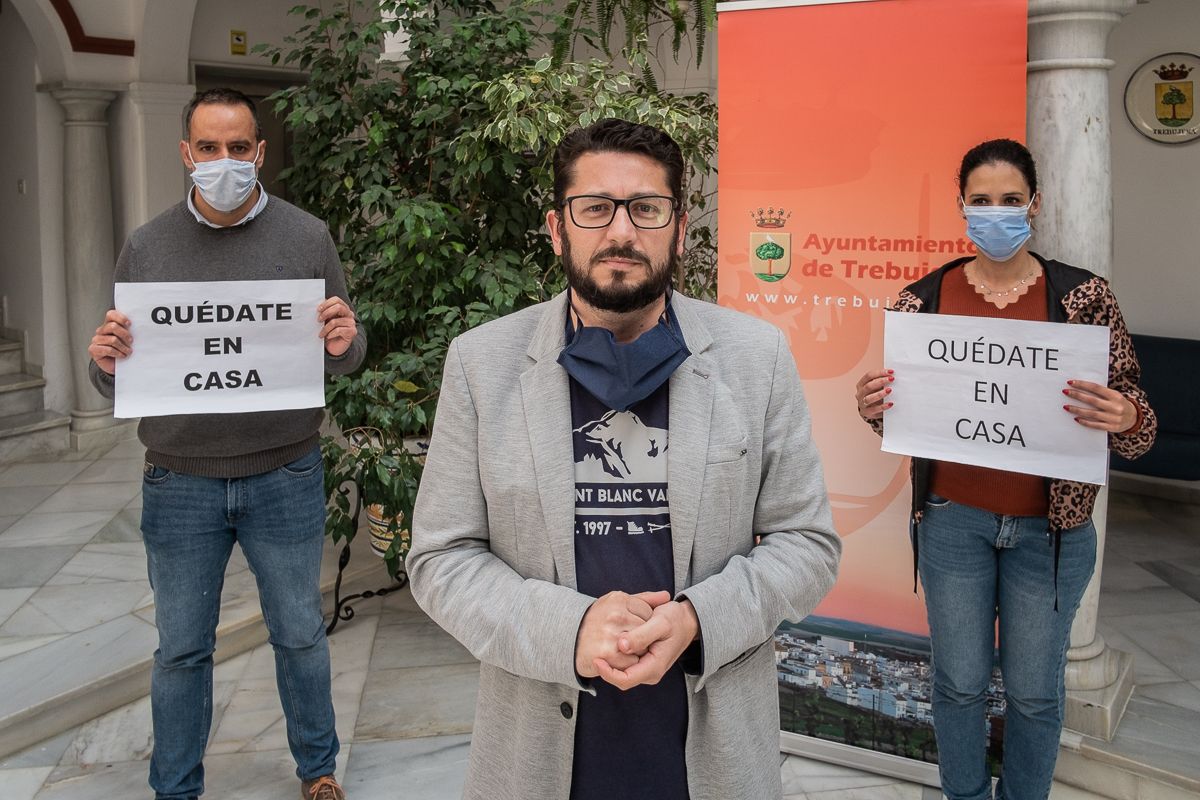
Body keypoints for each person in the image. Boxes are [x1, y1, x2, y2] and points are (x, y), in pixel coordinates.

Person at [406, 118, 841, 800]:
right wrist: (571, 628)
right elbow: (441, 558)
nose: (621, 231)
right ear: (558, 229)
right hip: (539, 749)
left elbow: (807, 543)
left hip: (711, 750)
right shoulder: (481, 363)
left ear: (679, 227)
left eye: (645, 208)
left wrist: (698, 619)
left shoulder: (756, 358)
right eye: (595, 208)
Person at [854, 139, 1156, 800]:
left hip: (1051, 536)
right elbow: (907, 418)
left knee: (1035, 693)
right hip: (951, 524)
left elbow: (1140, 422)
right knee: (958, 684)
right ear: (961, 206)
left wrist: (1126, 415)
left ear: (1034, 204)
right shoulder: (921, 302)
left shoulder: (1084, 298)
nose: (996, 213)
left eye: (1011, 200)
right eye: (982, 201)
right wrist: (874, 407)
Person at [86, 88, 365, 800]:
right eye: (208, 148)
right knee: (181, 648)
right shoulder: (147, 246)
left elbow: (345, 350)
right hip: (179, 480)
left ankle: (318, 770)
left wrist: (345, 341)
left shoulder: (307, 237)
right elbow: (118, 374)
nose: (224, 161)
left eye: (238, 148)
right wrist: (105, 362)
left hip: (285, 471)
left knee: (299, 633)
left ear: (260, 152)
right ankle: (175, 788)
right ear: (186, 154)